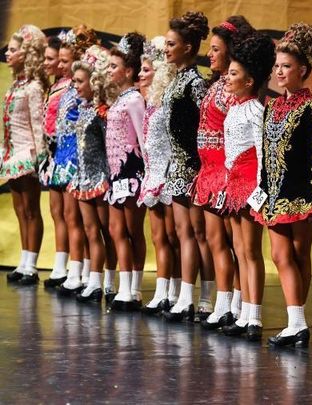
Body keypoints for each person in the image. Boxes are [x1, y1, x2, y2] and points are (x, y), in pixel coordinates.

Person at [252, 23, 312, 347]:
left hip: (301, 194)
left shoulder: (311, 107)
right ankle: (296, 322)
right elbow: (266, 155)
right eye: (277, 66)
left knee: (298, 255)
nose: (279, 72)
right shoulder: (272, 106)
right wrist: (263, 191)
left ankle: (298, 320)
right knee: (282, 256)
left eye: (287, 66)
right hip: (274, 195)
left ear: (303, 70)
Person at [192, 16, 255, 328]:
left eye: (215, 49)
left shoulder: (233, 90)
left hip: (225, 172)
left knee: (233, 244)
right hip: (208, 170)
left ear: (230, 52)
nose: (209, 54)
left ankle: (239, 305)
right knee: (216, 240)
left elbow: (238, 131)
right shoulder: (215, 85)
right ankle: (224, 302)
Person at [214, 33, 275, 341]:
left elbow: (263, 153)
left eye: (233, 74)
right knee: (239, 250)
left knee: (250, 252)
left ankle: (254, 315)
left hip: (250, 185)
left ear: (249, 81)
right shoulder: (235, 108)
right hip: (234, 183)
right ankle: (242, 312)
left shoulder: (254, 109)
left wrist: (261, 188)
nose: (227, 78)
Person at [161, 11, 210, 322]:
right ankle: (186, 296)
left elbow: (203, 127)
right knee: (183, 232)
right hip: (176, 165)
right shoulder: (176, 78)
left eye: (171, 44)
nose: (166, 49)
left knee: (196, 233)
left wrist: (197, 166)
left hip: (192, 165)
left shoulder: (195, 82)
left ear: (188, 48)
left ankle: (199, 297)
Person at [50, 26, 99, 296]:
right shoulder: (67, 89)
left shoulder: (81, 90)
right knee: (69, 216)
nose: (60, 64)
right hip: (65, 154)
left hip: (81, 157)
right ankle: (75, 268)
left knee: (80, 219)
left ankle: (85, 272)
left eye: (65, 60)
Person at [67, 44, 117, 303]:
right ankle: (93, 278)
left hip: (100, 178)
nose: (75, 86)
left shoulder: (102, 111)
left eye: (79, 81)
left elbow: (111, 146)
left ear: (94, 81)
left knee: (105, 232)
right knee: (89, 230)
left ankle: (105, 281)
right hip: (83, 178)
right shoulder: (84, 108)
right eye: (74, 81)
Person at [137, 36, 181, 314]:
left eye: (147, 70)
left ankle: (175, 291)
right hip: (153, 175)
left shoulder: (165, 106)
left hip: (168, 174)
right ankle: (164, 289)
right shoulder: (150, 106)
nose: (140, 75)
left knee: (172, 236)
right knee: (159, 237)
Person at [104, 32, 147, 311]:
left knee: (133, 230)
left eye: (113, 67)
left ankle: (135, 288)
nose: (109, 71)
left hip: (132, 172)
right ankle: (124, 285)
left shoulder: (134, 100)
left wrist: (150, 172)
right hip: (115, 174)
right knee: (116, 229)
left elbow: (143, 137)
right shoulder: (119, 99)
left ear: (129, 70)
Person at [2, 24, 47, 285]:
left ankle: (32, 263)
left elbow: (38, 125)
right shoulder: (14, 86)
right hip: (12, 152)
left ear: (26, 54)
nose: (8, 54)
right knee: (19, 209)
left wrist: (38, 157)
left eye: (14, 50)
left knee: (31, 209)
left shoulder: (33, 87)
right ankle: (23, 259)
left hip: (27, 153)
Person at [40, 34, 71, 288]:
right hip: (54, 154)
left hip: (70, 153)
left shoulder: (73, 88)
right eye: (54, 60)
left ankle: (73, 269)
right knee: (56, 212)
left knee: (71, 216)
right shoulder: (56, 85)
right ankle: (61, 265)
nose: (57, 65)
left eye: (61, 60)